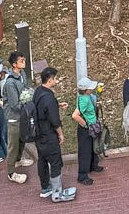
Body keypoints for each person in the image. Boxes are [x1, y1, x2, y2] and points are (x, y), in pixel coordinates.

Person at [33, 66, 76, 202]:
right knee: (56, 162)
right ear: (50, 80)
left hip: (39, 135)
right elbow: (55, 121)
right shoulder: (49, 97)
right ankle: (57, 193)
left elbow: (42, 109)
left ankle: (45, 188)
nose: (56, 81)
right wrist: (61, 134)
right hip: (49, 136)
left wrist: (57, 105)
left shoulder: (38, 91)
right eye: (55, 78)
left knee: (42, 160)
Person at [1, 51, 37, 184]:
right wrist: (27, 101)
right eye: (21, 61)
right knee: (13, 144)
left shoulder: (22, 74)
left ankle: (18, 160)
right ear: (15, 64)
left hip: (23, 115)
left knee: (22, 138)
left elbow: (26, 88)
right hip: (14, 118)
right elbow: (14, 104)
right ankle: (11, 172)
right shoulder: (10, 83)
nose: (24, 62)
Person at [71, 76, 105, 185]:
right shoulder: (84, 99)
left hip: (91, 126)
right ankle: (82, 175)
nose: (92, 89)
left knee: (92, 147)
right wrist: (85, 124)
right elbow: (75, 115)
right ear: (86, 90)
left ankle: (93, 165)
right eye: (90, 88)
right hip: (86, 129)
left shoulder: (86, 97)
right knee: (85, 151)